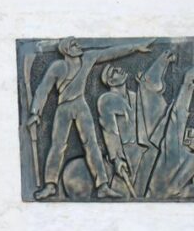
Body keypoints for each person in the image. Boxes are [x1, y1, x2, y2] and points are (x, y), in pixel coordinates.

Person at [27, 37, 152, 200]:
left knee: (92, 145)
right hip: (63, 107)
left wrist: (135, 47)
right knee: (57, 145)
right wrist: (35, 113)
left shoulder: (87, 58)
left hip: (81, 105)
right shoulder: (58, 67)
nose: (78, 45)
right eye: (73, 44)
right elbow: (43, 89)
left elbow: (110, 52)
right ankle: (50, 185)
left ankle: (102, 186)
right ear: (66, 50)